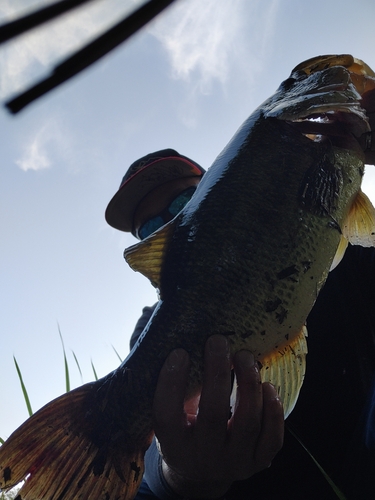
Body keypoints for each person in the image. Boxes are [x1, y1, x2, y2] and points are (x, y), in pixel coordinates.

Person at [106, 149, 375, 499]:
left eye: (185, 202)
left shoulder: (322, 237)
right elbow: (153, 455)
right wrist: (183, 474)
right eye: (152, 228)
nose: (172, 227)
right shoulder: (150, 331)